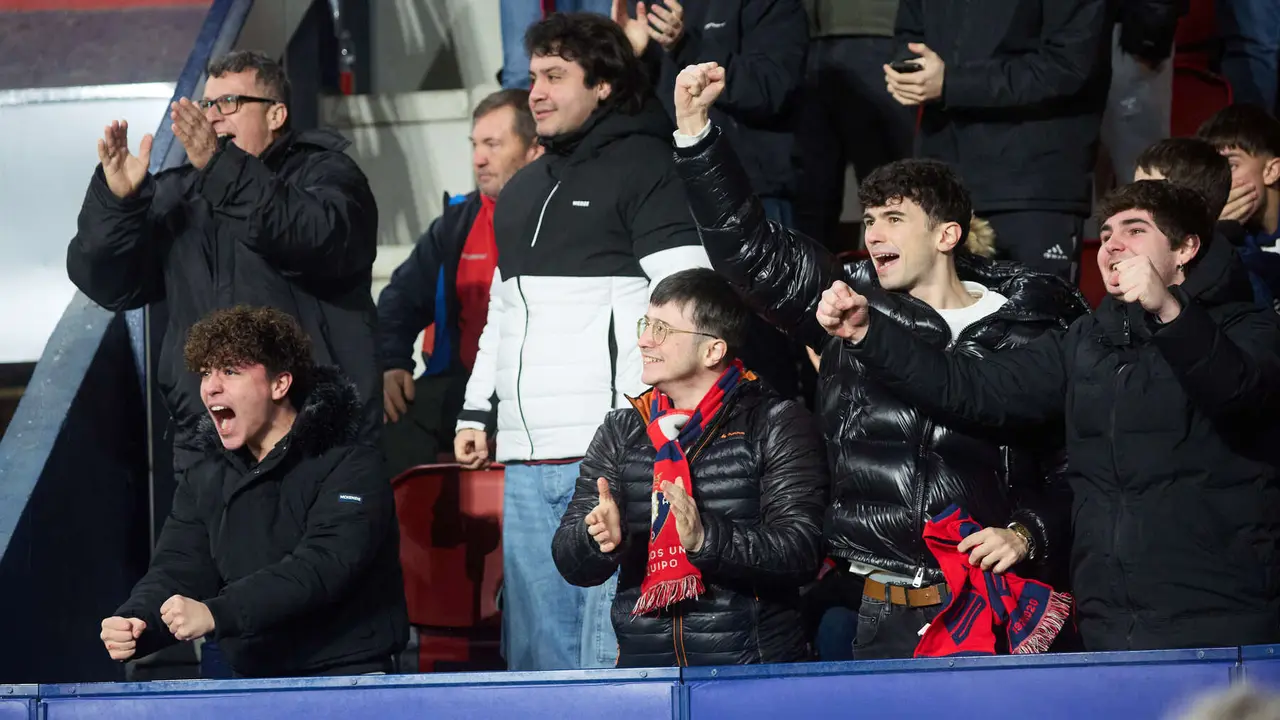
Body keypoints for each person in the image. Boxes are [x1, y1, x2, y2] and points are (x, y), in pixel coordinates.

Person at [670, 63, 1088, 659]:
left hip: (987, 603)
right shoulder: (846, 302)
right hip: (870, 605)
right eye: (868, 220)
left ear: (947, 235)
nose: (874, 234)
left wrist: (1029, 533)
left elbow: (1075, 466)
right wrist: (695, 131)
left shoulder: (1032, 325)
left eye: (895, 219)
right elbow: (749, 248)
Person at [818, 180, 1280, 651]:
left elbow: (1237, 391)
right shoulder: (1084, 341)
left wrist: (1168, 310)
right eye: (1107, 232)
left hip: (1224, 616)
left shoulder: (1250, 325)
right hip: (1111, 622)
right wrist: (869, 334)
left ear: (1185, 248)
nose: (1113, 244)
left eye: (1135, 230)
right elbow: (971, 387)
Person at [453, 12, 711, 671]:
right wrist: (478, 409)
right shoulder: (521, 191)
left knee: (606, 657)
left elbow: (689, 299)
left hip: (611, 454)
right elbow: (504, 313)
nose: (535, 90)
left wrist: (657, 419)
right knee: (535, 658)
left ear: (602, 86)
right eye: (534, 75)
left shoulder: (645, 166)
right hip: (526, 456)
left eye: (555, 76)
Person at [67, 50, 381, 480]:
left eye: (230, 103)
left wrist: (222, 169)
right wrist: (118, 204)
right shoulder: (179, 195)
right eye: (208, 105)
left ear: (276, 115)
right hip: (209, 441)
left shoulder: (326, 173)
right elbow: (106, 282)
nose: (214, 117)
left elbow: (316, 237)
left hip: (314, 437)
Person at [100, 306, 408, 678]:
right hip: (247, 670)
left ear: (280, 384)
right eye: (205, 372)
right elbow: (179, 566)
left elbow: (324, 565)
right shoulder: (205, 471)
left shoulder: (352, 462)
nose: (211, 386)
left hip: (343, 672)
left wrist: (217, 613)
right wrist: (138, 621)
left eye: (230, 371)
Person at [551, 268, 828, 666]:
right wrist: (595, 541)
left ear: (713, 350)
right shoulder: (621, 430)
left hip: (749, 670)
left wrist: (705, 540)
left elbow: (801, 550)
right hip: (646, 673)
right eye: (646, 324)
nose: (644, 340)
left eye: (662, 329)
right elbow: (568, 559)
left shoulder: (775, 422)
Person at [376, 89, 542, 478]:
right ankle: (414, 537)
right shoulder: (457, 222)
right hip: (463, 382)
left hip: (535, 389)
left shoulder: (561, 213)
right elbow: (398, 299)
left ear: (534, 149)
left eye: (492, 144)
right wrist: (391, 362)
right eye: (475, 145)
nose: (478, 158)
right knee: (388, 416)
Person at [885, 0, 1111, 281]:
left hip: (1033, 184)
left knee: (1040, 320)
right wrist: (910, 71)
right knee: (940, 323)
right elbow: (909, 35)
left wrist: (952, 83)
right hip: (943, 182)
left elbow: (1070, 65)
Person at [612, 0, 808, 224]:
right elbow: (638, 110)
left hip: (748, 193)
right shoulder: (647, 6)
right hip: (664, 193)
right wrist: (630, 59)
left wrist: (685, 47)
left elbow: (770, 90)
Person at [794, 0, 916, 251]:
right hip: (802, 37)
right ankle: (811, 286)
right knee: (811, 199)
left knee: (890, 192)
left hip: (879, 34)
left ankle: (900, 287)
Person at [1197, 104, 1280, 310]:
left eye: (1231, 166)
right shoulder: (1221, 237)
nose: (1218, 180)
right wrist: (1217, 237)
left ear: (1272, 171)